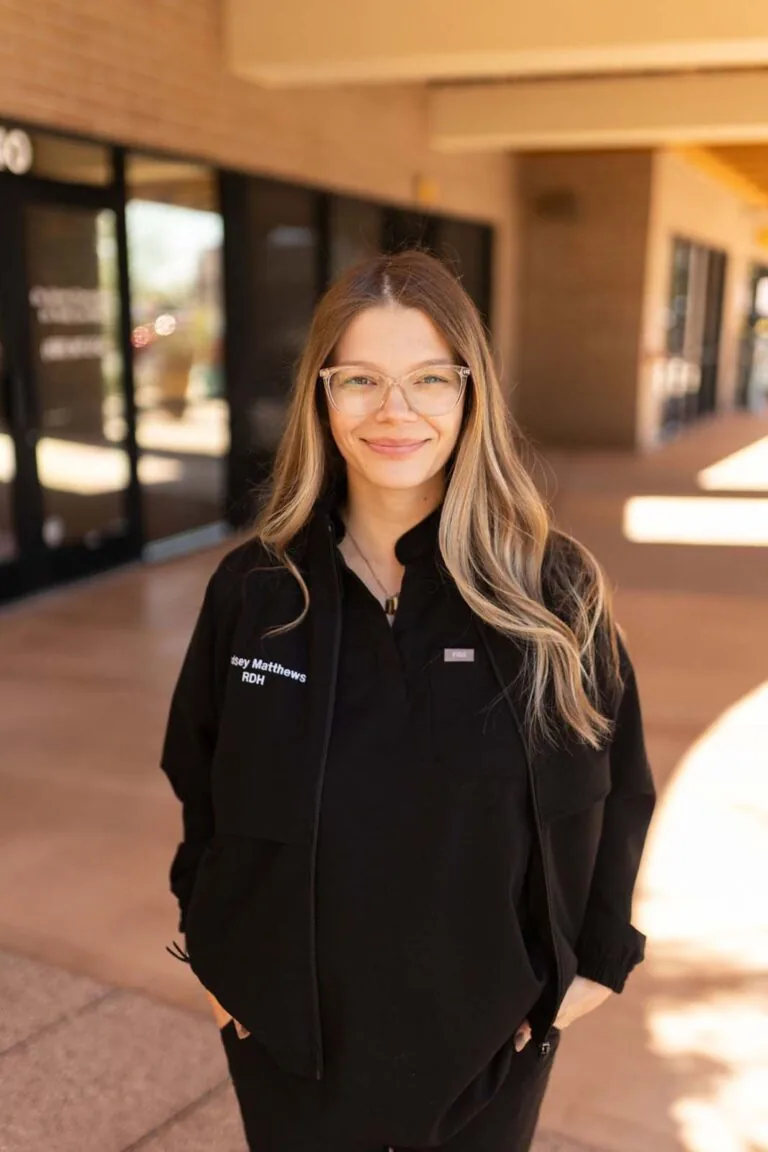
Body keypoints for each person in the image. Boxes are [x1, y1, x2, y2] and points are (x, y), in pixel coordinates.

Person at [159, 250, 657, 1152]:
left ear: (472, 394)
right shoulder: (258, 591)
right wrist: (218, 955)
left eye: (430, 377)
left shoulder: (550, 589)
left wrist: (593, 970)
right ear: (322, 394)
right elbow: (199, 780)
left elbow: (619, 784)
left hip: (491, 1044)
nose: (396, 410)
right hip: (290, 1042)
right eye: (362, 380)